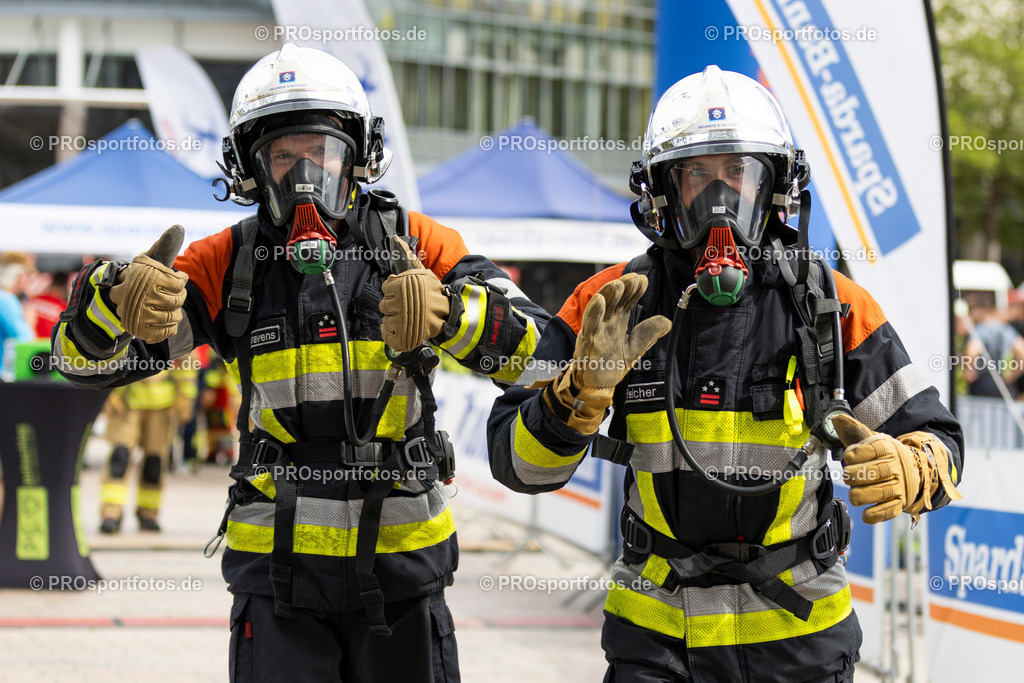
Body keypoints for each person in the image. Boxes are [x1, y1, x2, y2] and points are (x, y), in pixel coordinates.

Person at [52, 43, 547, 682]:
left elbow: (543, 358)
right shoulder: (225, 262)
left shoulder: (420, 244)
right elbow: (76, 364)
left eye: (321, 151)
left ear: (358, 155)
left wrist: (457, 317)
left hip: (403, 569)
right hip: (277, 575)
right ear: (251, 168)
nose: (304, 174)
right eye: (283, 156)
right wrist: (111, 301)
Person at [487, 66, 964, 682]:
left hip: (799, 644)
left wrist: (915, 465)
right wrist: (574, 399)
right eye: (698, 175)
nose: (720, 199)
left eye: (738, 173)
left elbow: (943, 442)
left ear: (775, 188)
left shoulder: (831, 306)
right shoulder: (613, 300)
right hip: (659, 644)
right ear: (663, 191)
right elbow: (519, 466)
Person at [99, 362, 197, 533]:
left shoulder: (177, 332)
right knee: (119, 459)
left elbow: (186, 358)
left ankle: (148, 513)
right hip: (125, 403)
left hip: (162, 405)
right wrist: (106, 390)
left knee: (154, 464)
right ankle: (111, 513)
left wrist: (186, 398)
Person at [961, 294, 1024, 398]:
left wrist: (968, 372)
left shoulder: (981, 329)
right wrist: (1010, 377)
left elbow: (971, 351)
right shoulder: (1006, 329)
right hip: (1001, 385)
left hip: (982, 385)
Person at [0, 252, 35, 366]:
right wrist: (29, 322)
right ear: (20, 276)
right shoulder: (6, 300)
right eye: (28, 276)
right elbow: (26, 340)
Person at [30, 270, 70, 339]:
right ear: (64, 287)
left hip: (31, 342)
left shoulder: (34, 300)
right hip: (48, 345)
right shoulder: (63, 309)